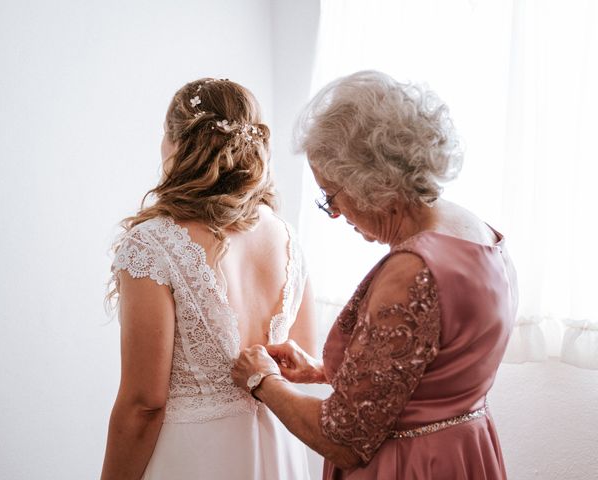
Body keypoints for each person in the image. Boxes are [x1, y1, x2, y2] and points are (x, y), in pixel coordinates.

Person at [232, 70, 518, 479]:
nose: (335, 213)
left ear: (369, 181)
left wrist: (263, 381)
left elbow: (343, 439)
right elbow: (435, 367)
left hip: (411, 465)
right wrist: (323, 371)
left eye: (331, 196)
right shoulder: (478, 233)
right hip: (463, 452)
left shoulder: (412, 272)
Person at [101, 78, 315, 480]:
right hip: (277, 448)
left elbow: (144, 404)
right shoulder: (285, 235)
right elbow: (298, 354)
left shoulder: (153, 243)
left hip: (196, 458)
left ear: (177, 143)